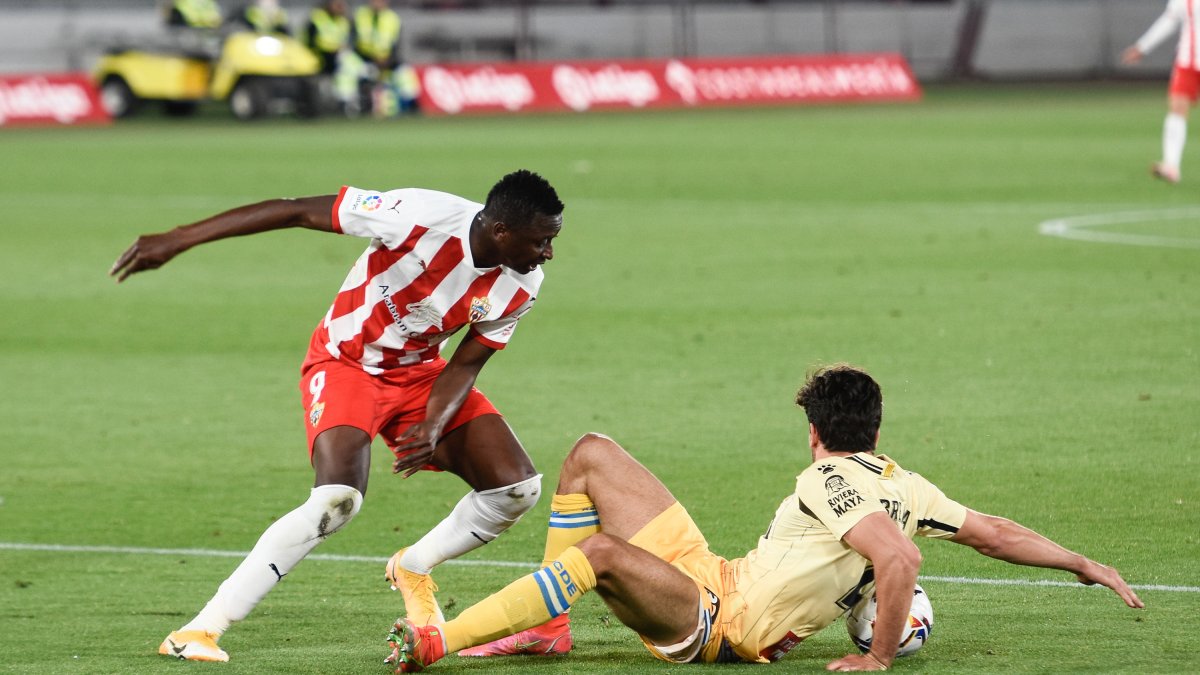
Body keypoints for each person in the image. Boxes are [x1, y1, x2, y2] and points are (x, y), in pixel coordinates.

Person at [386, 364, 1144, 672]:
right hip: (711, 571)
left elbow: (899, 562)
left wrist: (878, 656)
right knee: (591, 454)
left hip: (719, 621)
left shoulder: (829, 480)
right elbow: (994, 529)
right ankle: (549, 626)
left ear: (814, 431)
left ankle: (437, 640)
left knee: (605, 555)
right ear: (875, 427)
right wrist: (1083, 560)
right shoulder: (907, 485)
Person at [110, 170, 565, 662]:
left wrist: (433, 423)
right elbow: (294, 209)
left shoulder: (523, 284)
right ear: (502, 231)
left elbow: (466, 363)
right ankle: (200, 630)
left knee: (516, 490)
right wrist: (179, 239)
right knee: (337, 500)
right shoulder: (418, 215)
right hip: (348, 362)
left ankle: (414, 566)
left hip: (419, 375)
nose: (548, 253)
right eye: (542, 241)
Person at [1122, 0, 1200, 184]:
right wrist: (1143, 47)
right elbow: (1170, 19)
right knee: (1177, 107)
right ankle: (1171, 165)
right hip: (1187, 60)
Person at [353, 0, 419, 115]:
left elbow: (396, 45)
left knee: (405, 74)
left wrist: (389, 60)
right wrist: (372, 58)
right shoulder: (360, 16)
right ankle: (356, 108)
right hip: (365, 59)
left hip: (387, 60)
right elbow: (354, 42)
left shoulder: (392, 18)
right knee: (358, 71)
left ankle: (411, 108)